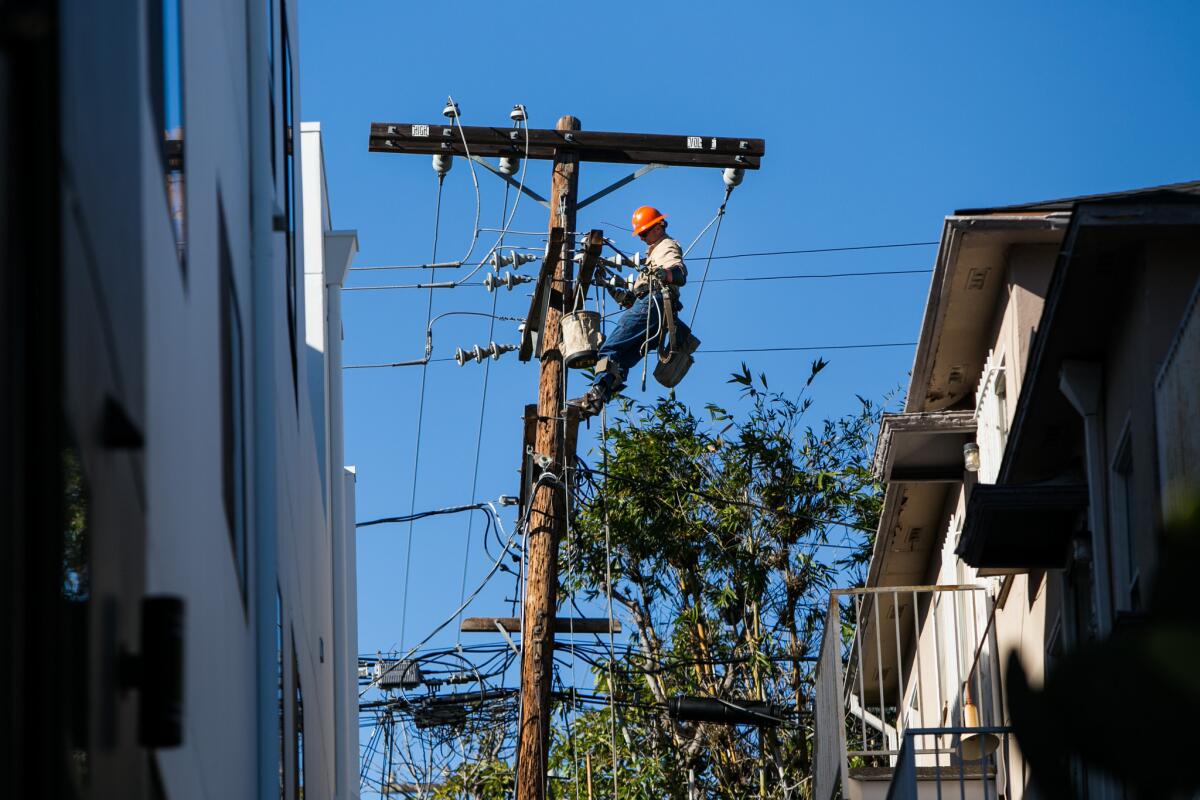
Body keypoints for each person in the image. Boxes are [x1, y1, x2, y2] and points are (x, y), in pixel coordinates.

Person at [568, 205, 696, 418]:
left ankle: (594, 394)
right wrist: (607, 284)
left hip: (654, 305)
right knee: (620, 360)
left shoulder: (667, 246)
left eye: (644, 232)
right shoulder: (653, 253)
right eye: (640, 234)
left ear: (659, 226)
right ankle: (596, 401)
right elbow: (633, 300)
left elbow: (679, 273)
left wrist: (663, 274)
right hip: (654, 313)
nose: (642, 238)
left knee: (610, 348)